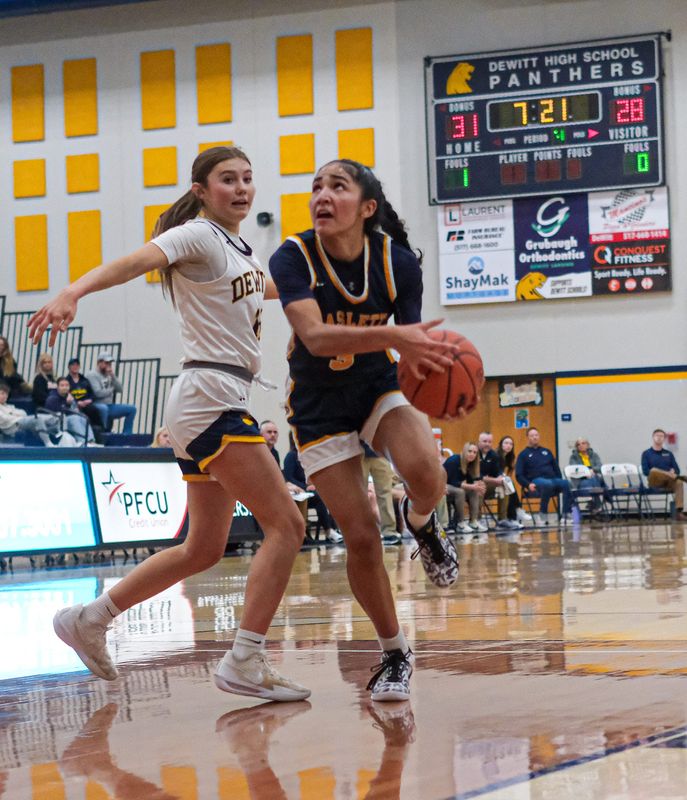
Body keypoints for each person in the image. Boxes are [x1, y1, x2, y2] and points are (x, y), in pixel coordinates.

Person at [28, 145, 310, 702]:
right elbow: (135, 261)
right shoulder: (199, 235)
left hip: (211, 397)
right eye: (228, 179)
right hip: (210, 396)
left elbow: (282, 289)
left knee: (203, 548)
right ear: (202, 191)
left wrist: (351, 284)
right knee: (287, 524)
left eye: (248, 179)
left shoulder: (241, 252)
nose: (241, 187)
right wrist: (73, 290)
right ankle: (246, 659)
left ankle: (90, 618)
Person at [269, 158, 460, 702]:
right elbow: (314, 337)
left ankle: (420, 520)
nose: (322, 196)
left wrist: (430, 372)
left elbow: (410, 346)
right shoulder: (293, 256)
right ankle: (395, 652)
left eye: (337, 186)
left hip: (377, 386)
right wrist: (396, 335)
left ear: (367, 207)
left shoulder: (398, 264)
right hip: (318, 402)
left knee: (427, 472)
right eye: (316, 187)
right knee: (360, 536)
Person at [283, 433, 343, 543]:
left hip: (307, 492)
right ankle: (328, 531)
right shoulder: (291, 456)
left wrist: (314, 484)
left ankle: (332, 530)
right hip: (296, 494)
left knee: (325, 497)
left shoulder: (305, 457)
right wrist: (305, 487)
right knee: (319, 498)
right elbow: (289, 478)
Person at [515, 427, 573, 526]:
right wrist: (528, 485)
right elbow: (518, 475)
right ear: (528, 438)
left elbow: (556, 469)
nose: (534, 438)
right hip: (535, 483)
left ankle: (566, 514)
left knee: (566, 483)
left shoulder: (547, 452)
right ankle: (542, 514)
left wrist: (558, 479)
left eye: (536, 435)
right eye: (532, 436)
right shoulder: (523, 455)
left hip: (552, 480)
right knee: (547, 484)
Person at [641, 428, 687, 520]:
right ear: (653, 437)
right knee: (653, 470)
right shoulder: (646, 453)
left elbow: (677, 470)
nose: (659, 438)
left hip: (668, 482)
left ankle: (678, 513)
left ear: (664, 439)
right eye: (657, 435)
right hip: (654, 481)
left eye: (662, 436)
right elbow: (646, 472)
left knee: (679, 482)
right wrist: (669, 473)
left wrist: (674, 472)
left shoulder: (668, 453)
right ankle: (680, 477)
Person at [86, 352, 137, 434]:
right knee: (104, 408)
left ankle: (127, 434)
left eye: (110, 363)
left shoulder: (108, 375)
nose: (108, 365)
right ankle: (104, 432)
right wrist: (112, 390)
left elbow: (120, 389)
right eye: (106, 363)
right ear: (99, 363)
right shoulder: (92, 375)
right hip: (96, 405)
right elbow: (98, 393)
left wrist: (113, 377)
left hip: (110, 405)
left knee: (132, 409)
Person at [477, 431, 519, 530]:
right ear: (478, 442)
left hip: (489, 485)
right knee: (479, 485)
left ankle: (502, 519)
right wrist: (492, 479)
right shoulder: (474, 453)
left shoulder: (493, 455)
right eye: (484, 441)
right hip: (474, 485)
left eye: (489, 442)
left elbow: (498, 471)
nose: (487, 444)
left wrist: (500, 477)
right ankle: (477, 519)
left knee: (505, 483)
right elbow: (476, 476)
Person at [362, 442, 401, 544]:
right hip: (358, 452)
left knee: (385, 493)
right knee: (360, 494)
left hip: (380, 452)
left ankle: (389, 531)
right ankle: (362, 531)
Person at [443, 443, 487, 533]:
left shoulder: (471, 464)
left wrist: (479, 485)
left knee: (474, 491)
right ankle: (460, 523)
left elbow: (473, 480)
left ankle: (473, 521)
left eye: (475, 452)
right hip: (443, 485)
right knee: (460, 492)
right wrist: (473, 486)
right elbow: (453, 482)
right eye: (470, 451)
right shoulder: (454, 460)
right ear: (464, 451)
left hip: (456, 486)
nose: (472, 454)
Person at [0, 380, 60, 446]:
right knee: (38, 419)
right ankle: (48, 443)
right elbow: (4, 418)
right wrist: (15, 415)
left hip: (20, 422)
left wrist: (11, 414)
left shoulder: (9, 406)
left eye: (6, 394)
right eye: (2, 393)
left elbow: (23, 413)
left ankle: (58, 433)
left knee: (52, 418)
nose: (5, 396)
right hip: (12, 426)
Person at [44, 376, 95, 443]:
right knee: (74, 419)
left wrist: (72, 404)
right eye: (62, 385)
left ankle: (91, 440)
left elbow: (75, 410)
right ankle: (83, 441)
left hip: (67, 419)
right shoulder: (52, 398)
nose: (65, 387)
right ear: (57, 387)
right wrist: (67, 404)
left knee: (83, 418)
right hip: (56, 422)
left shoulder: (69, 396)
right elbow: (57, 414)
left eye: (67, 385)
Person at [496, 435, 531, 527]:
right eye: (506, 443)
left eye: (511, 444)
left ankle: (514, 515)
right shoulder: (496, 456)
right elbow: (495, 472)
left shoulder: (508, 457)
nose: (508, 445)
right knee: (508, 483)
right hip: (492, 482)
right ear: (501, 445)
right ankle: (516, 511)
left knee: (508, 486)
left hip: (500, 483)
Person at [569, 437, 607, 513]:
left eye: (583, 443)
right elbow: (574, 469)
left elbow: (600, 466)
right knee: (594, 480)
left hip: (594, 476)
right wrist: (586, 472)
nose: (581, 445)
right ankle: (598, 503)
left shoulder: (594, 455)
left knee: (594, 478)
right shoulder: (573, 457)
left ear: (588, 445)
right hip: (581, 480)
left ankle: (592, 501)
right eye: (578, 444)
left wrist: (592, 470)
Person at [66, 357, 105, 431]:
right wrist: (77, 403)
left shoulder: (84, 380)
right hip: (74, 406)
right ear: (69, 367)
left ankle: (102, 430)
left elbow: (92, 394)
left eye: (77, 365)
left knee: (97, 409)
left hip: (87, 404)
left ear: (79, 367)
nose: (75, 367)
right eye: (73, 365)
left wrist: (89, 400)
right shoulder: (66, 381)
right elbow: (65, 395)